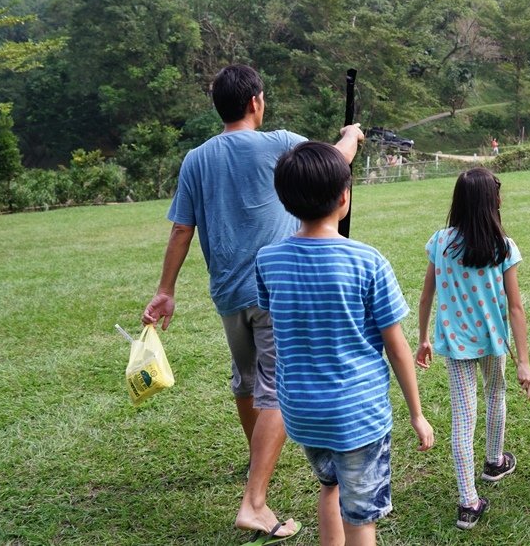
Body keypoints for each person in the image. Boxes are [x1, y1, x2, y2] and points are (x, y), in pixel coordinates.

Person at [142, 64, 364, 542]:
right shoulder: (278, 142)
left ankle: (258, 461)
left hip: (226, 293)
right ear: (256, 102)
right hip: (274, 288)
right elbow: (331, 162)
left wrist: (166, 289)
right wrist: (352, 135)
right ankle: (255, 501)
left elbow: (182, 228)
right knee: (277, 389)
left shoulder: (196, 159)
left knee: (248, 383)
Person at [256, 141, 435, 545]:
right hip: (356, 415)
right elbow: (397, 346)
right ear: (343, 197)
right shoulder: (368, 261)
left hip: (303, 414)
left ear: (285, 201)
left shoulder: (268, 260)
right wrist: (417, 414)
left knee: (330, 486)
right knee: (361, 520)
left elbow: (279, 319)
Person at [415, 167, 530, 530]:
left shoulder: (441, 242)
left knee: (463, 418)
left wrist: (423, 338)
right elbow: (515, 307)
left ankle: (469, 501)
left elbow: (426, 296)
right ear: (490, 201)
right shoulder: (502, 246)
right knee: (495, 396)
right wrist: (524, 362)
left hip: (455, 342)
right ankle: (494, 461)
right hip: (493, 340)